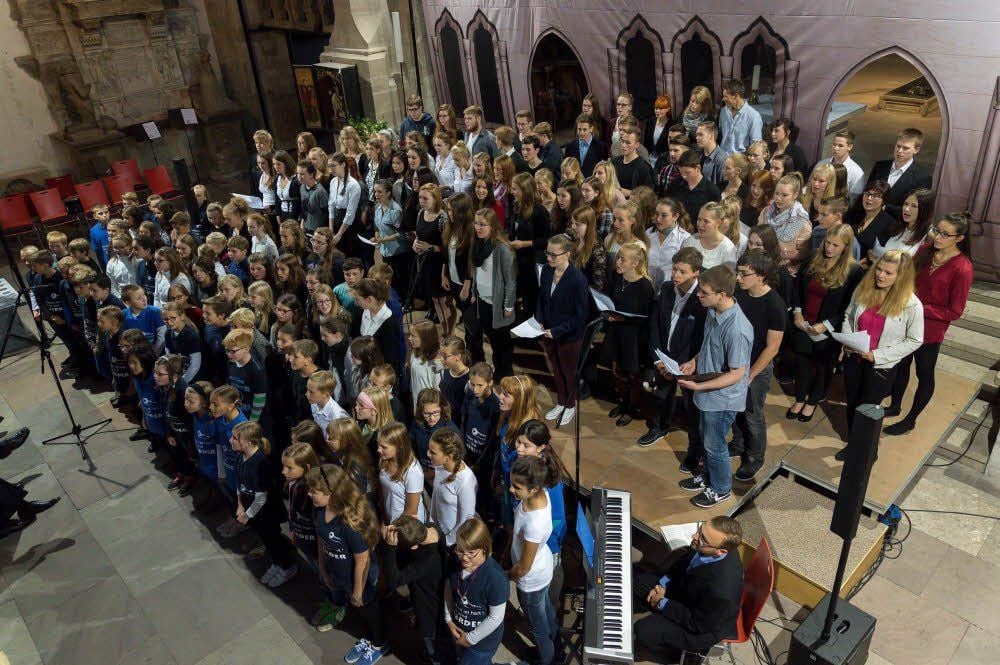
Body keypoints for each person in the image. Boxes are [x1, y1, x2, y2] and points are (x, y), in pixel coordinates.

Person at [884, 212, 973, 435]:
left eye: (945, 234)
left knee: (924, 374)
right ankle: (894, 405)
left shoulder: (962, 268)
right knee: (900, 365)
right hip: (905, 321)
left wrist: (919, 308)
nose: (938, 237)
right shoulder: (925, 250)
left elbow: (954, 311)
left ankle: (911, 418)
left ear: (959, 238)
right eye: (937, 231)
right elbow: (908, 280)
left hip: (930, 330)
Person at [677, 266, 752, 508]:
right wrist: (694, 361)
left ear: (722, 295)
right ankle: (709, 477)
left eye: (704, 292)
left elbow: (736, 374)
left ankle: (721, 488)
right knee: (707, 439)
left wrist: (699, 387)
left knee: (715, 444)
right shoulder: (713, 311)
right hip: (708, 392)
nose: (698, 295)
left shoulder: (738, 329)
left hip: (722, 398)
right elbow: (710, 345)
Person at [838, 250, 923, 460]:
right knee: (853, 404)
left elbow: (915, 340)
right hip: (855, 359)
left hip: (881, 367)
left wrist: (877, 355)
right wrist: (849, 340)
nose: (880, 276)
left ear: (900, 277)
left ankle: (868, 450)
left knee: (869, 410)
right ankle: (854, 443)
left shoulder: (912, 305)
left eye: (888, 273)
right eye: (879, 270)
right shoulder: (864, 289)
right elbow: (849, 315)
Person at [307, 464, 388, 664]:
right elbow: (321, 538)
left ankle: (379, 643)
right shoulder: (320, 510)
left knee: (368, 609)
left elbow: (363, 559)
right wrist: (323, 568)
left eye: (314, 491)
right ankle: (368, 638)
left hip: (360, 580)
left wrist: (358, 591)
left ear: (332, 493)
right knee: (359, 612)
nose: (309, 494)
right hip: (340, 575)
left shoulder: (350, 522)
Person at [632, 516, 744, 659]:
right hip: (689, 593)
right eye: (699, 530)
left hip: (701, 628)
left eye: (703, 538)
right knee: (639, 581)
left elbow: (697, 624)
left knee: (643, 631)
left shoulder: (721, 592)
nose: (694, 536)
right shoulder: (708, 546)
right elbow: (681, 565)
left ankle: (672, 656)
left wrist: (662, 602)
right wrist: (663, 584)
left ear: (721, 552)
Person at [789, 224, 865, 421]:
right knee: (802, 362)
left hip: (829, 329)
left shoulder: (854, 271)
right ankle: (799, 398)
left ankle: (812, 401)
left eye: (835, 245)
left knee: (823, 366)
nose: (829, 248)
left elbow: (850, 306)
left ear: (846, 247)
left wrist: (827, 325)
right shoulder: (814, 258)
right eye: (828, 243)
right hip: (804, 323)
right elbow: (797, 287)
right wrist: (797, 312)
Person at [638, 246, 706, 448]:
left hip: (687, 363)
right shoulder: (667, 288)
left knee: (691, 406)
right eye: (675, 269)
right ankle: (659, 427)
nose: (676, 275)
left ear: (696, 272)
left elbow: (700, 338)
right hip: (664, 357)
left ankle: (695, 450)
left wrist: (684, 364)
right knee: (660, 397)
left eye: (683, 271)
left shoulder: (702, 298)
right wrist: (658, 359)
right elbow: (656, 325)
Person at [730, 250, 786, 482]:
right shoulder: (740, 294)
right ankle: (739, 442)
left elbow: (772, 348)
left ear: (761, 276)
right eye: (738, 272)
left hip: (756, 368)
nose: (739, 278)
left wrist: (750, 375)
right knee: (735, 408)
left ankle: (755, 456)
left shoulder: (774, 304)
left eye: (744, 274)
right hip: (737, 363)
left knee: (753, 414)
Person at [232, 421, 298, 587]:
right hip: (253, 512)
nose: (230, 440)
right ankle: (276, 562)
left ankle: (288, 566)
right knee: (266, 540)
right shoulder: (240, 457)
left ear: (248, 442)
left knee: (274, 539)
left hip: (267, 513)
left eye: (234, 438)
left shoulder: (261, 463)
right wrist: (240, 505)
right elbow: (239, 483)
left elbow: (261, 497)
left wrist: (247, 515)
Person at [507, 456, 559, 665]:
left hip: (531, 580)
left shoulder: (535, 523)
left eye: (517, 487)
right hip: (543, 569)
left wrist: (506, 575)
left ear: (534, 488)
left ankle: (546, 659)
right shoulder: (539, 494)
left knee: (537, 627)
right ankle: (556, 644)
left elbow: (523, 568)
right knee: (545, 610)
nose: (511, 490)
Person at [536, 232, 590, 426]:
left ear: (567, 253)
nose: (549, 258)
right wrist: (540, 320)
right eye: (547, 253)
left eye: (553, 255)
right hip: (548, 331)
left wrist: (557, 331)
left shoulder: (578, 280)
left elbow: (581, 316)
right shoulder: (547, 271)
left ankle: (570, 404)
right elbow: (542, 297)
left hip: (569, 335)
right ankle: (561, 401)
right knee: (556, 369)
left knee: (569, 371)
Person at [601, 243, 656, 427]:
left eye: (623, 259)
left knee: (634, 375)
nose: (618, 261)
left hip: (634, 339)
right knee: (618, 371)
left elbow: (648, 318)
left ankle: (632, 408)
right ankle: (622, 403)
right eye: (618, 257)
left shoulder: (645, 286)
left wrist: (623, 319)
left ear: (635, 263)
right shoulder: (617, 278)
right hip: (616, 333)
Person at [382, 516, 448, 665]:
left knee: (431, 640)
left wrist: (390, 548)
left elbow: (394, 580)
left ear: (413, 547)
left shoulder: (426, 561)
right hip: (438, 593)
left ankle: (434, 658)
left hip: (429, 606)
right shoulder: (433, 528)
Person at [445, 517, 509, 664]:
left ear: (485, 547)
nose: (464, 558)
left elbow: (496, 617)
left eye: (471, 552)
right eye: (460, 551)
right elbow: (448, 590)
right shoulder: (455, 561)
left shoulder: (495, 577)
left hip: (482, 643)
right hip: (458, 630)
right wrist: (448, 620)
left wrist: (469, 639)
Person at [465, 208, 517, 379]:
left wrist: (508, 305)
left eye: (482, 224)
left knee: (502, 343)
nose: (478, 227)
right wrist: (474, 292)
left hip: (499, 304)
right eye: (476, 223)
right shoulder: (477, 243)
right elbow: (475, 271)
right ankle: (497, 372)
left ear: (493, 226)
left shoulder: (502, 249)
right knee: (491, 340)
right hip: (482, 301)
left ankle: (505, 375)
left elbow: (510, 280)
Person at [865, 128, 933, 220]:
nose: (900, 151)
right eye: (898, 146)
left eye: (905, 148)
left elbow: (918, 210)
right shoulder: (880, 166)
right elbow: (867, 191)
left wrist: (885, 208)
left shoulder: (922, 177)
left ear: (916, 150)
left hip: (896, 225)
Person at [428, 427, 478, 548]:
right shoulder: (440, 466)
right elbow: (436, 495)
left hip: (452, 544)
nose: (428, 454)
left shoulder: (466, 481)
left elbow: (465, 521)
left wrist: (447, 543)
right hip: (437, 536)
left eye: (433, 452)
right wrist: (431, 525)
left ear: (448, 457)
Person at [759, 173, 812, 275]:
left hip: (783, 270)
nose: (778, 198)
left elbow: (804, 253)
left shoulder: (801, 221)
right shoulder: (766, 212)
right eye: (777, 193)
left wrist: (782, 253)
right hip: (760, 263)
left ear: (795, 195)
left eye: (784, 195)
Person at [871, 187, 935, 260]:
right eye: (906, 204)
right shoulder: (896, 227)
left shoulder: (930, 236)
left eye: (914, 206)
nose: (906, 209)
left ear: (925, 210)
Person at [646, 197, 692, 291]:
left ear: (675, 216)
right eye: (657, 214)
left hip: (668, 290)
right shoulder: (649, 233)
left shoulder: (685, 238)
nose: (658, 219)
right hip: (646, 287)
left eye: (664, 215)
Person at [845, 181, 894, 261]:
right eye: (867, 194)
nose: (869, 198)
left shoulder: (889, 224)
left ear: (884, 200)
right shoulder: (853, 213)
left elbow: (880, 255)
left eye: (875, 196)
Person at [682, 202, 738, 270]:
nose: (700, 224)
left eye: (706, 221)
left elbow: (728, 278)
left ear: (718, 223)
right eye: (699, 219)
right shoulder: (689, 242)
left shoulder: (728, 249)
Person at [718, 79, 763, 156]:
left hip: (740, 162)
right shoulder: (723, 111)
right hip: (722, 158)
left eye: (726, 96)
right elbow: (721, 135)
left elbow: (756, 146)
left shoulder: (753, 116)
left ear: (735, 96)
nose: (723, 99)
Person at [818, 129, 865, 202]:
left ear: (849, 147)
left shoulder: (857, 172)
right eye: (834, 144)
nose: (836, 148)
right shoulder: (821, 164)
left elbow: (853, 201)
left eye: (840, 146)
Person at [676, 149, 721, 223]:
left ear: (698, 168)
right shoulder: (676, 184)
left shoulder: (711, 190)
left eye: (687, 173)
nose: (684, 176)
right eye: (681, 172)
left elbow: (714, 218)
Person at [612, 126, 655, 196]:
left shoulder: (644, 168)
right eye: (622, 141)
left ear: (637, 144)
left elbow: (649, 195)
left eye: (628, 143)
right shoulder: (615, 161)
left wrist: (630, 193)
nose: (623, 145)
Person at [564, 113, 608, 178]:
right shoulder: (570, 146)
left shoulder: (601, 147)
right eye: (579, 129)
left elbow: (603, 171)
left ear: (591, 129)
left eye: (584, 129)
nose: (581, 133)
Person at [695, 121, 727, 188]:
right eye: (696, 135)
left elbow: (723, 186)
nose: (697, 138)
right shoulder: (698, 155)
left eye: (700, 135)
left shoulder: (722, 159)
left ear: (711, 136)